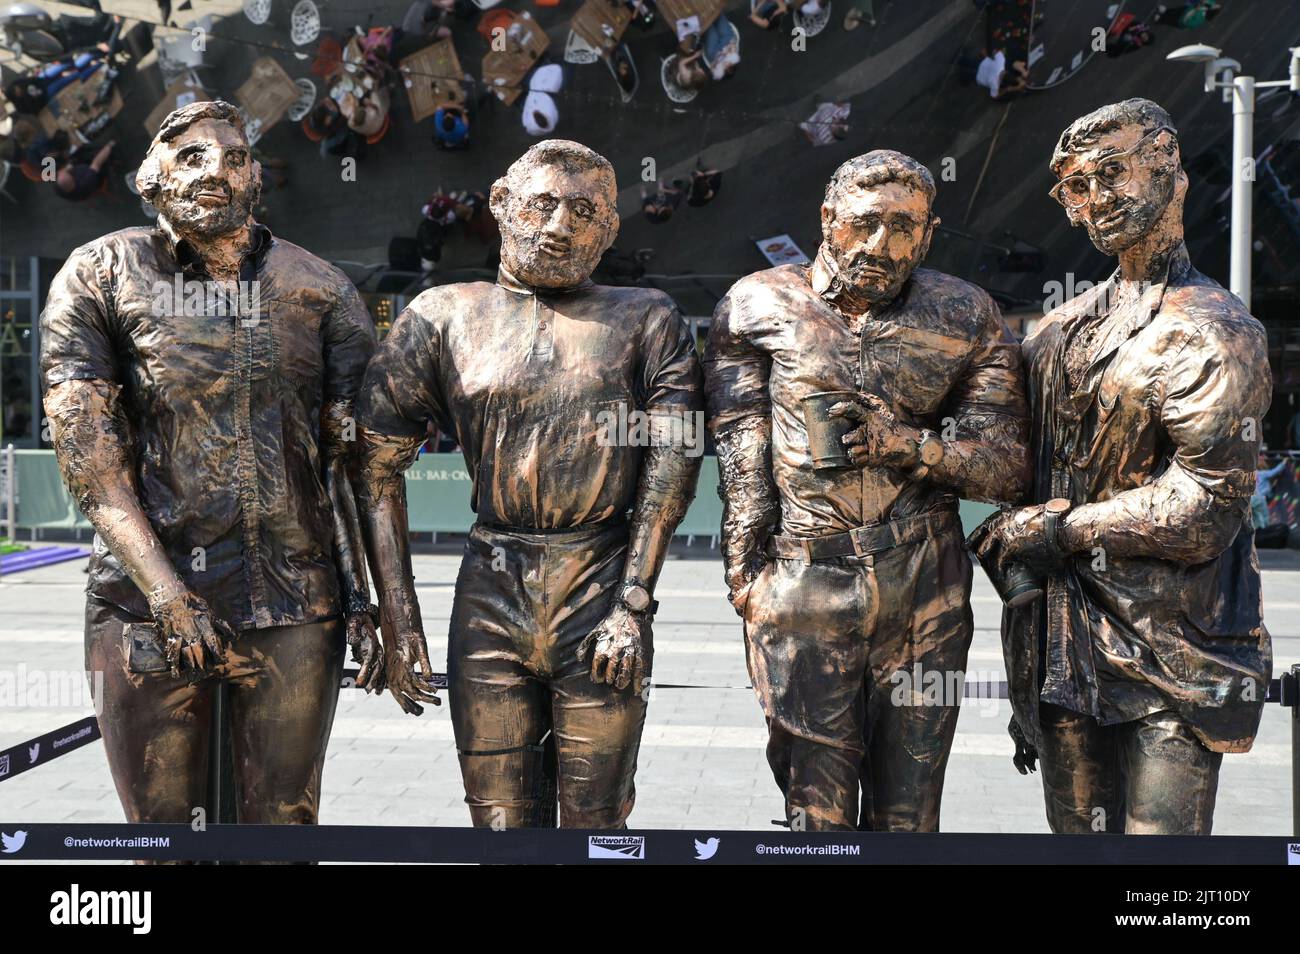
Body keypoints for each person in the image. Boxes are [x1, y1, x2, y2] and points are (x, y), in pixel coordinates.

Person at [39, 100, 381, 835]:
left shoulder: (318, 287)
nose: (214, 171)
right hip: (145, 606)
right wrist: (167, 594)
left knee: (282, 832)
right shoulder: (100, 273)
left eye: (234, 157)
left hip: (292, 602)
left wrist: (375, 604)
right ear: (150, 178)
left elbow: (351, 464)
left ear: (256, 178)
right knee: (161, 837)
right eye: (189, 155)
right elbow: (90, 461)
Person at [353, 139, 704, 827]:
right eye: (543, 205)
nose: (559, 226)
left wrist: (633, 604)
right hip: (492, 584)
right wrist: (398, 616)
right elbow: (375, 464)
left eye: (583, 211)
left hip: (600, 579)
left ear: (609, 229)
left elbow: (674, 462)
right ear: (501, 205)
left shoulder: (648, 319)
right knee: (499, 821)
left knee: (596, 820)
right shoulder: (441, 315)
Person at [704, 150, 1030, 831]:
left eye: (904, 228)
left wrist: (911, 446)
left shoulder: (967, 315)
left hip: (924, 590)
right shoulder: (757, 303)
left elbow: (1007, 466)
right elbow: (740, 445)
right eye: (866, 223)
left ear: (929, 234)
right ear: (829, 220)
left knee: (909, 816)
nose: (883, 244)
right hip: (802, 582)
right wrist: (746, 577)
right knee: (814, 818)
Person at [973, 99, 1272, 834]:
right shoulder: (1056, 334)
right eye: (1077, 187)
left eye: (1111, 174)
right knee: (1080, 852)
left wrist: (1062, 530)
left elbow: (1207, 505)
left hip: (1178, 652)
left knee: (1157, 872)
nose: (1094, 201)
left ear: (1168, 167)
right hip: (1067, 651)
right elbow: (1016, 472)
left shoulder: (1215, 329)